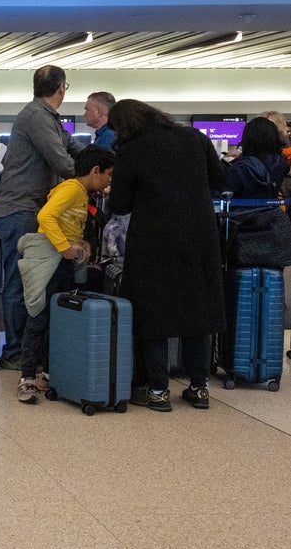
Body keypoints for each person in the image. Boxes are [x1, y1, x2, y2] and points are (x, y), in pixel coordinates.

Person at [108, 99, 225, 412]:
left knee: (154, 312)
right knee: (197, 310)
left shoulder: (132, 150)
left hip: (153, 241)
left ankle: (158, 390)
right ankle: (199, 388)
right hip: (199, 237)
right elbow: (220, 179)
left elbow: (119, 204)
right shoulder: (195, 138)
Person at [0, 65, 83, 370]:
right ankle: (15, 352)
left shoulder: (47, 118)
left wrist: (99, 161)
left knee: (33, 282)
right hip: (20, 209)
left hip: (28, 208)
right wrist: (90, 177)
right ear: (61, 88)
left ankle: (27, 349)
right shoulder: (36, 117)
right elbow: (61, 160)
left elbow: (73, 149)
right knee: (21, 283)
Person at [14, 146, 115, 403]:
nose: (109, 180)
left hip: (63, 262)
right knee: (38, 317)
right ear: (95, 171)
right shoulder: (71, 189)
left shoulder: (81, 192)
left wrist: (80, 244)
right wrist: (65, 247)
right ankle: (26, 377)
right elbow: (45, 216)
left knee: (54, 318)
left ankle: (47, 374)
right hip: (51, 260)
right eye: (109, 175)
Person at [225, 117, 288, 199]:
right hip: (272, 208)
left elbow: (228, 195)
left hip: (243, 210)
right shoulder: (281, 161)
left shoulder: (240, 167)